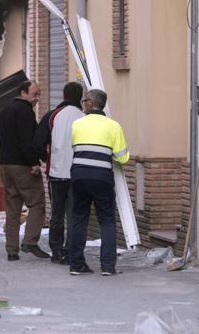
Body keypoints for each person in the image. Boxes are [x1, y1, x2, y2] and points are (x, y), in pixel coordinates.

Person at [69, 89, 129, 276]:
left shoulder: (77, 124)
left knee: (79, 219)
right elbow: (123, 158)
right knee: (107, 221)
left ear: (89, 103)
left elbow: (75, 147)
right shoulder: (114, 126)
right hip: (102, 177)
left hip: (78, 175)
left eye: (84, 100)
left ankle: (77, 265)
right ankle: (108, 267)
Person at [33, 81, 84, 264]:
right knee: (74, 214)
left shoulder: (52, 116)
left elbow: (38, 143)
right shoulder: (83, 117)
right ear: (80, 97)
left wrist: (47, 158)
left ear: (63, 95)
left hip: (56, 174)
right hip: (78, 173)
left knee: (56, 214)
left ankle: (56, 251)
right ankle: (71, 252)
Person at [0, 80, 49, 261]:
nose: (37, 99)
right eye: (35, 94)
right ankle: (30, 241)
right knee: (37, 203)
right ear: (23, 93)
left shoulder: (5, 111)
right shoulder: (25, 112)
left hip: (5, 165)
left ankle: (11, 250)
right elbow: (27, 141)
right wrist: (34, 162)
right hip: (22, 166)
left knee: (13, 208)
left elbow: (0, 140)